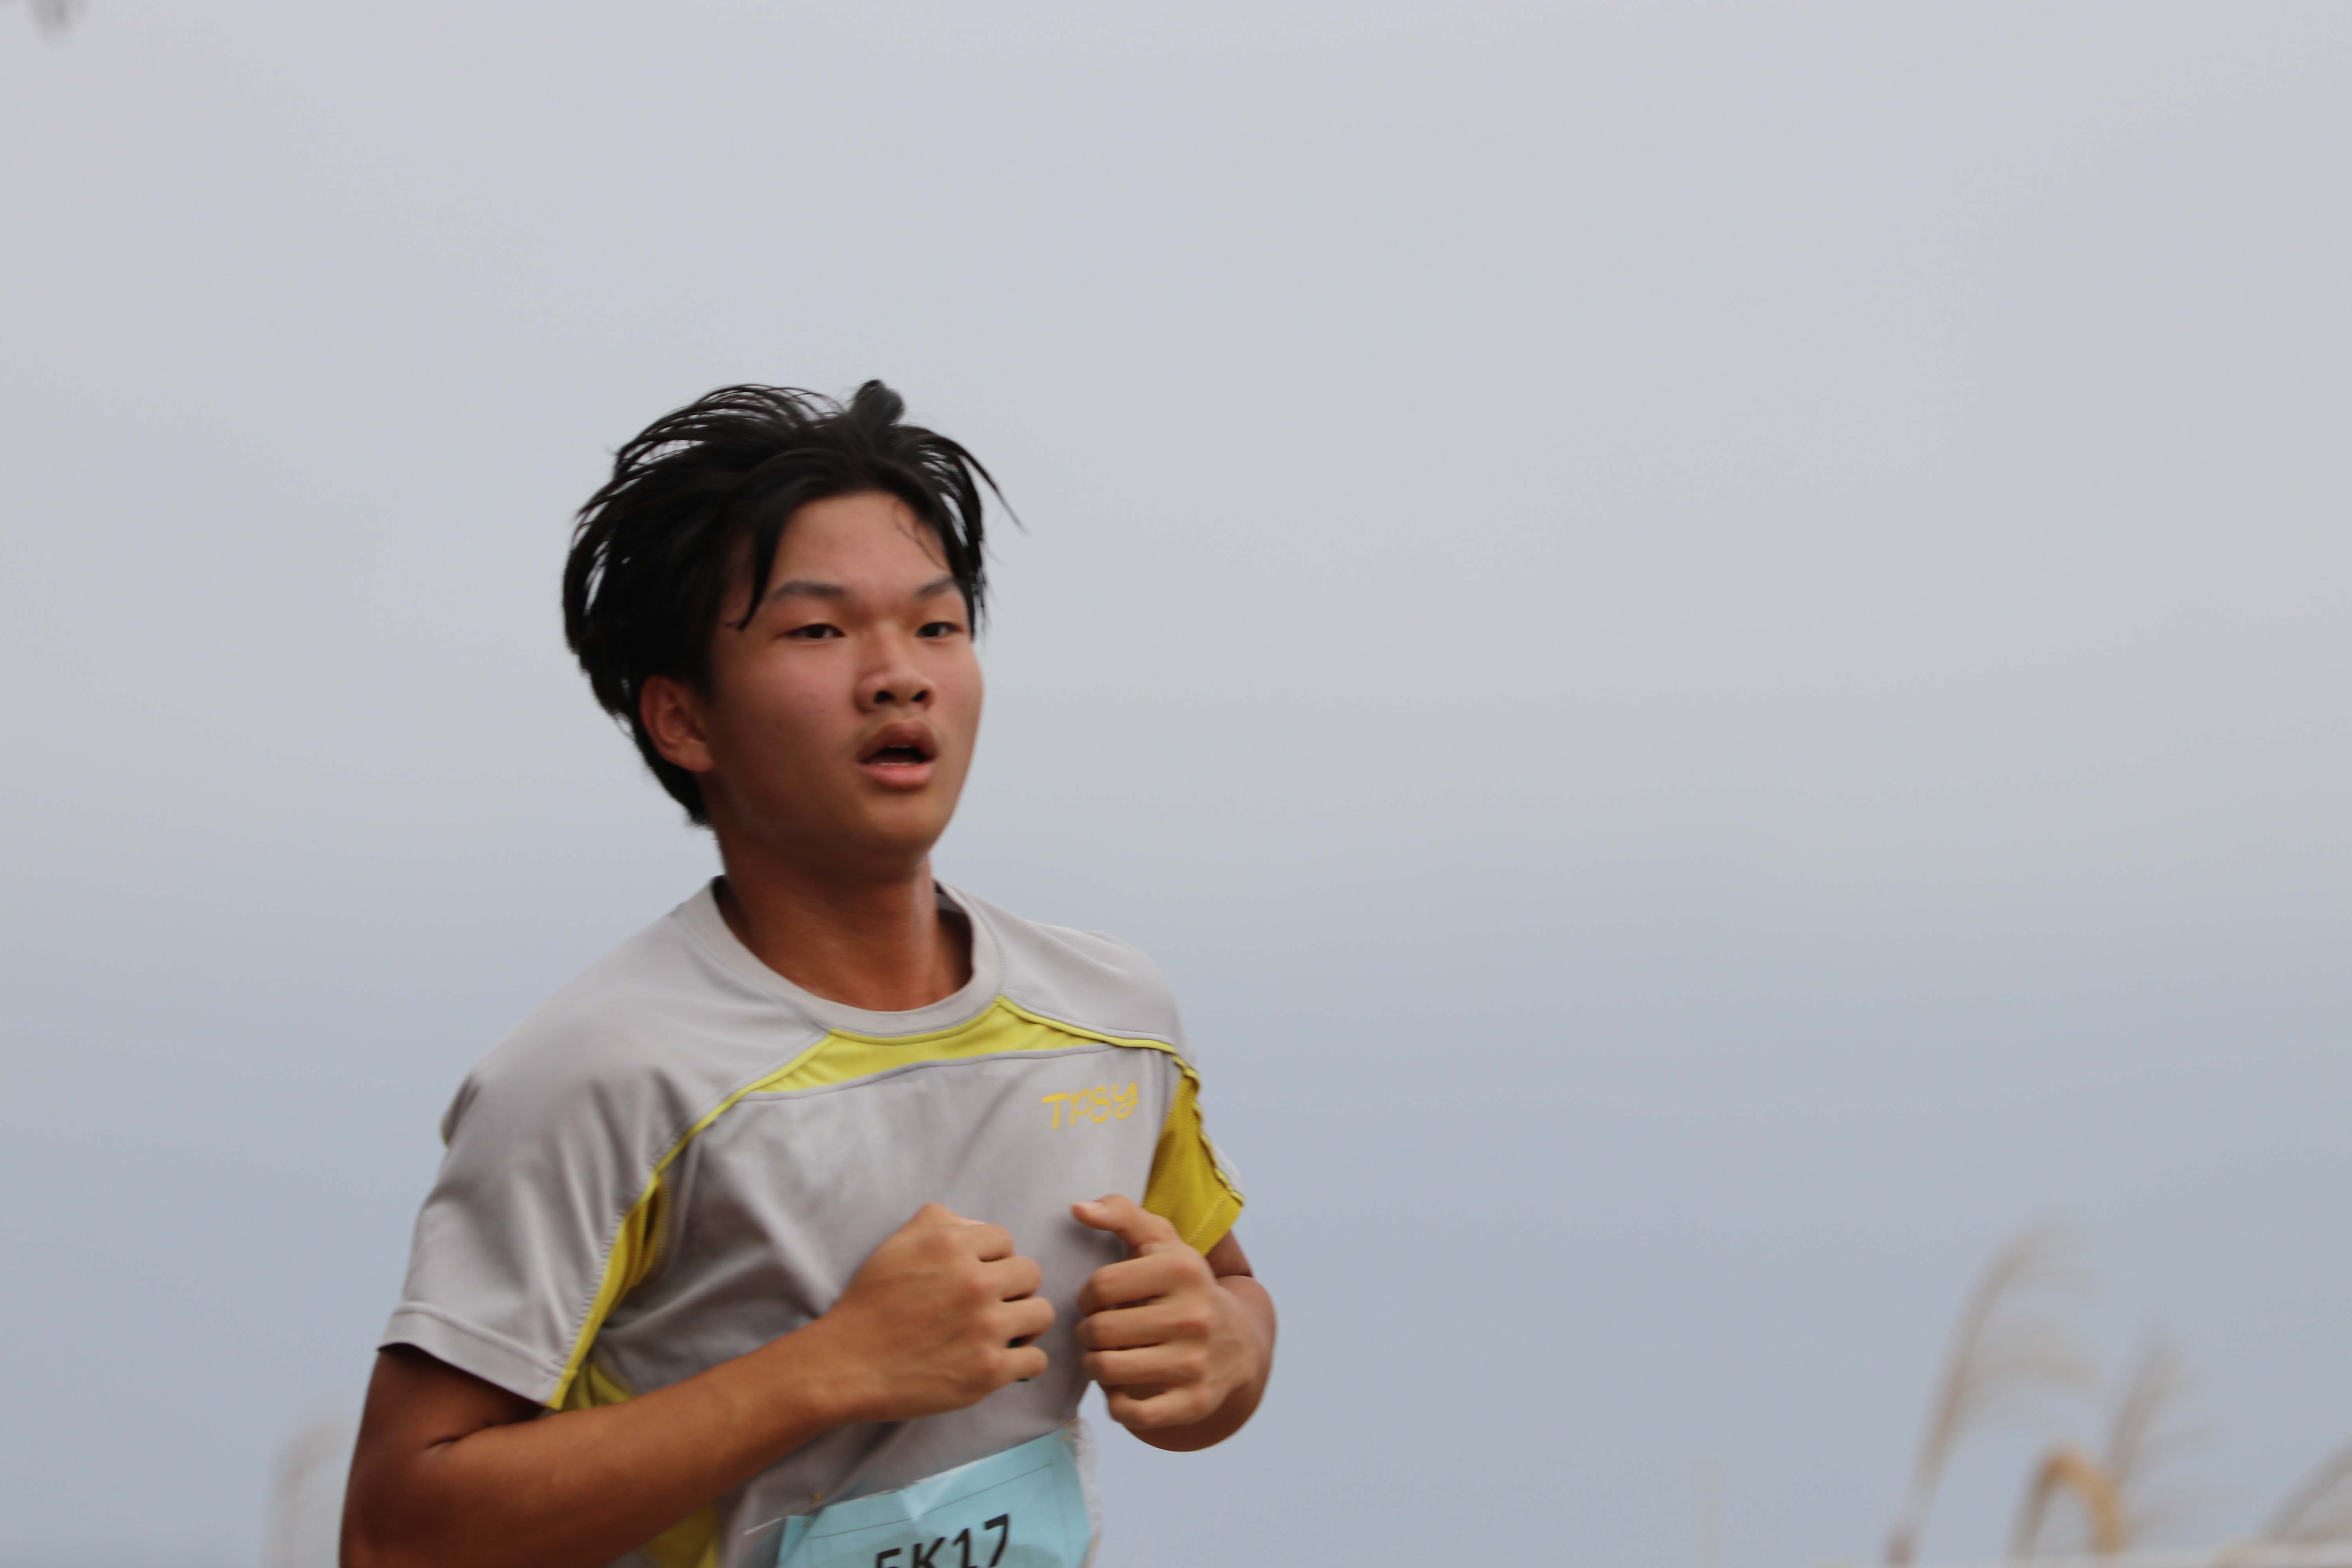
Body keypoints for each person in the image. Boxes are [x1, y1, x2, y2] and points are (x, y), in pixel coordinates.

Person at [340, 383, 1275, 1568]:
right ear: (683, 720)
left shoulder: (1112, 1018)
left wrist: (1230, 1353)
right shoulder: (601, 1074)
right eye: (819, 633)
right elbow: (396, 1534)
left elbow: (1225, 1304)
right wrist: (827, 1371)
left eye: (937, 627)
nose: (898, 676)